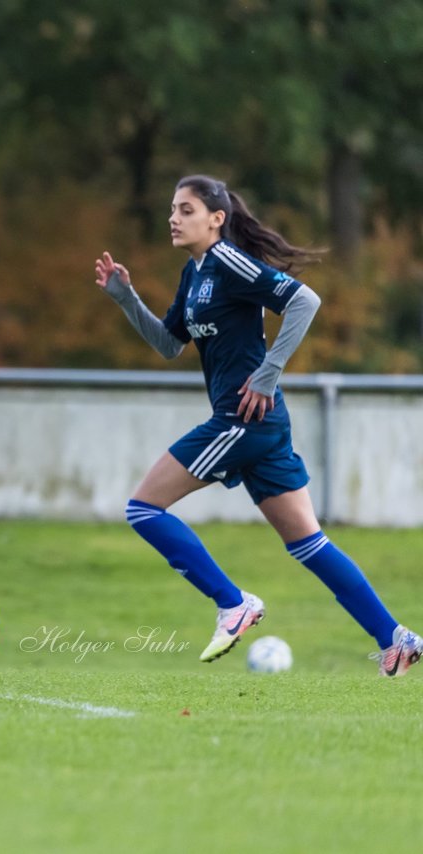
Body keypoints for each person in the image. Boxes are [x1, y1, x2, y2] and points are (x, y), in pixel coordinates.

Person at [94, 174, 421, 676]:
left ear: (216, 219)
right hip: (261, 424)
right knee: (309, 544)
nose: (173, 218)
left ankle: (233, 604)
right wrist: (125, 298)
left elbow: (304, 301)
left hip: (243, 419)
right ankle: (394, 637)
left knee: (143, 509)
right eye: (172, 209)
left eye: (185, 210)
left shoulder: (227, 262)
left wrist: (267, 375)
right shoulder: (194, 272)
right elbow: (168, 344)